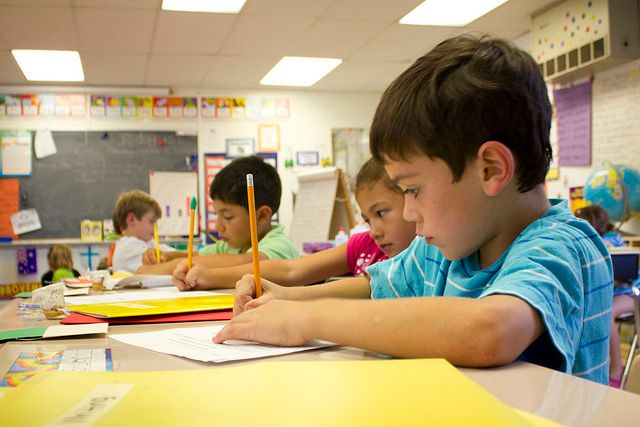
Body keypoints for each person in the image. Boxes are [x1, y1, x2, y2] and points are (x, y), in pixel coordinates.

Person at [214, 35, 613, 384]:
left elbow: (490, 330)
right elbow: (374, 288)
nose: (408, 213)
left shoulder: (561, 246)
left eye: (414, 189)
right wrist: (286, 299)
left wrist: (305, 321)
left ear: (491, 169)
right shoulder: (448, 245)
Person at [172, 158, 416, 290]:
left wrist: (289, 300)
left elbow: (365, 290)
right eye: (365, 219)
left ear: (412, 197)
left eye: (381, 212)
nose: (373, 230)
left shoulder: (424, 257)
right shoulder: (363, 245)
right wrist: (211, 276)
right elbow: (292, 270)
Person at [138, 156, 298, 275]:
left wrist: (167, 268)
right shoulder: (236, 244)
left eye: (227, 217)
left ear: (262, 215)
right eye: (216, 215)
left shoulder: (279, 246)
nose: (217, 226)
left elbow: (249, 262)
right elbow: (195, 255)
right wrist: (165, 257)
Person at [576, 204, 634, 387]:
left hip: (630, 293)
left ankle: (616, 369)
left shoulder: (612, 239)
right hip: (611, 292)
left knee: (606, 313)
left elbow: (623, 264)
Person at [111, 190, 174, 273]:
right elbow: (164, 269)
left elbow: (172, 252)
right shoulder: (128, 247)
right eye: (152, 221)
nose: (156, 227)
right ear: (132, 219)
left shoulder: (148, 243)